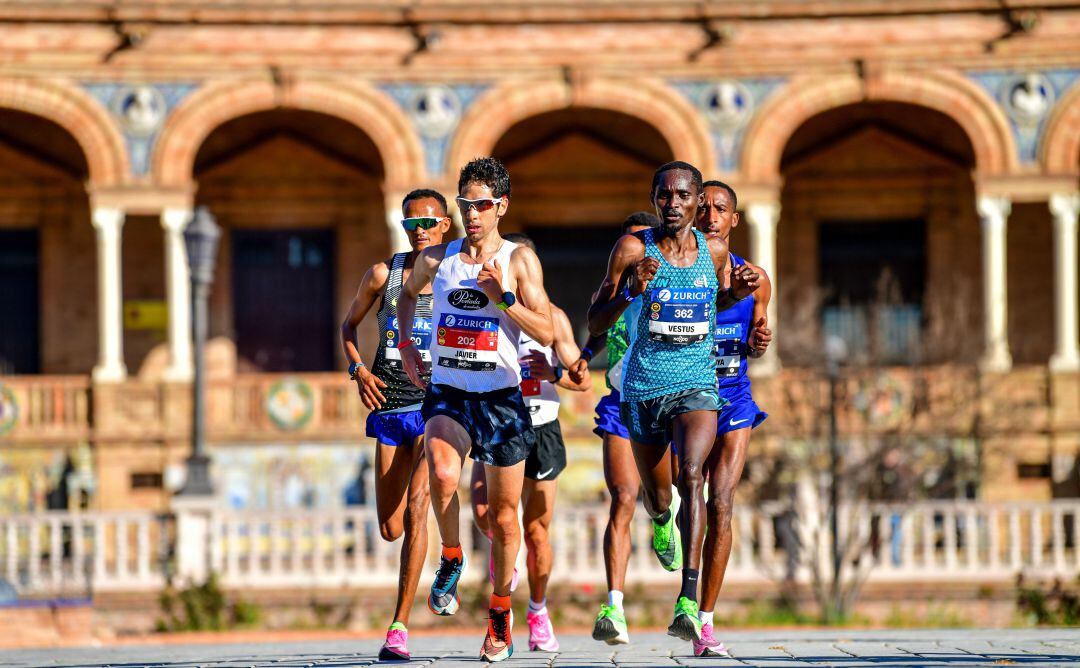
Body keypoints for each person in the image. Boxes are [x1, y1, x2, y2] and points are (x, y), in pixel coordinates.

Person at [587, 161, 758, 643]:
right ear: (655, 197)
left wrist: (736, 296)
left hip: (698, 384)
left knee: (694, 477)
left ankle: (687, 599)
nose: (674, 204)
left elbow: (713, 304)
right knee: (660, 496)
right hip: (642, 390)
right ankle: (662, 519)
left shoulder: (715, 250)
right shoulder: (631, 250)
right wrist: (629, 293)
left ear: (698, 200)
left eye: (684, 196)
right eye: (665, 196)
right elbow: (595, 323)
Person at [397, 157, 555, 663]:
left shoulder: (519, 259)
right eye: (466, 205)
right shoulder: (438, 258)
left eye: (482, 205)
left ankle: (501, 613)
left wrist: (502, 297)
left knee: (506, 521)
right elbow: (405, 297)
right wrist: (405, 344)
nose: (473, 214)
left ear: (501, 206)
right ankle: (451, 555)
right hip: (449, 390)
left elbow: (548, 331)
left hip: (503, 398)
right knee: (443, 474)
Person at [339, 188, 452, 661]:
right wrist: (359, 370)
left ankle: (399, 627)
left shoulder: (457, 276)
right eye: (410, 224)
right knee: (390, 527)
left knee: (417, 508)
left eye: (428, 222)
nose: (419, 230)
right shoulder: (384, 275)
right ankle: (443, 554)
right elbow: (348, 328)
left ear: (446, 224)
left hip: (436, 409)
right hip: (389, 409)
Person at [471, 233, 592, 653]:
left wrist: (553, 372)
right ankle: (508, 553)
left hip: (541, 426)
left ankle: (538, 611)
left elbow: (584, 379)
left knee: (537, 532)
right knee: (486, 513)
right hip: (496, 420)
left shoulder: (553, 318)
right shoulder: (480, 309)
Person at [569, 212, 662, 645]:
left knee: (667, 491)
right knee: (623, 497)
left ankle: (664, 514)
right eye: (630, 246)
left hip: (668, 401)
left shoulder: (677, 283)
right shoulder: (615, 290)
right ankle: (615, 606)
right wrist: (586, 355)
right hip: (620, 402)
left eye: (646, 243)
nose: (639, 254)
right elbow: (599, 327)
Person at [692, 180, 773, 657]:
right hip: (684, 400)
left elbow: (759, 337)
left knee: (722, 499)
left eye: (720, 209)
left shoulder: (755, 279)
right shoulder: (678, 272)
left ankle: (705, 622)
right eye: (702, 207)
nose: (710, 216)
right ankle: (684, 580)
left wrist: (760, 344)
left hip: (735, 396)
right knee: (686, 497)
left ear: (734, 219)